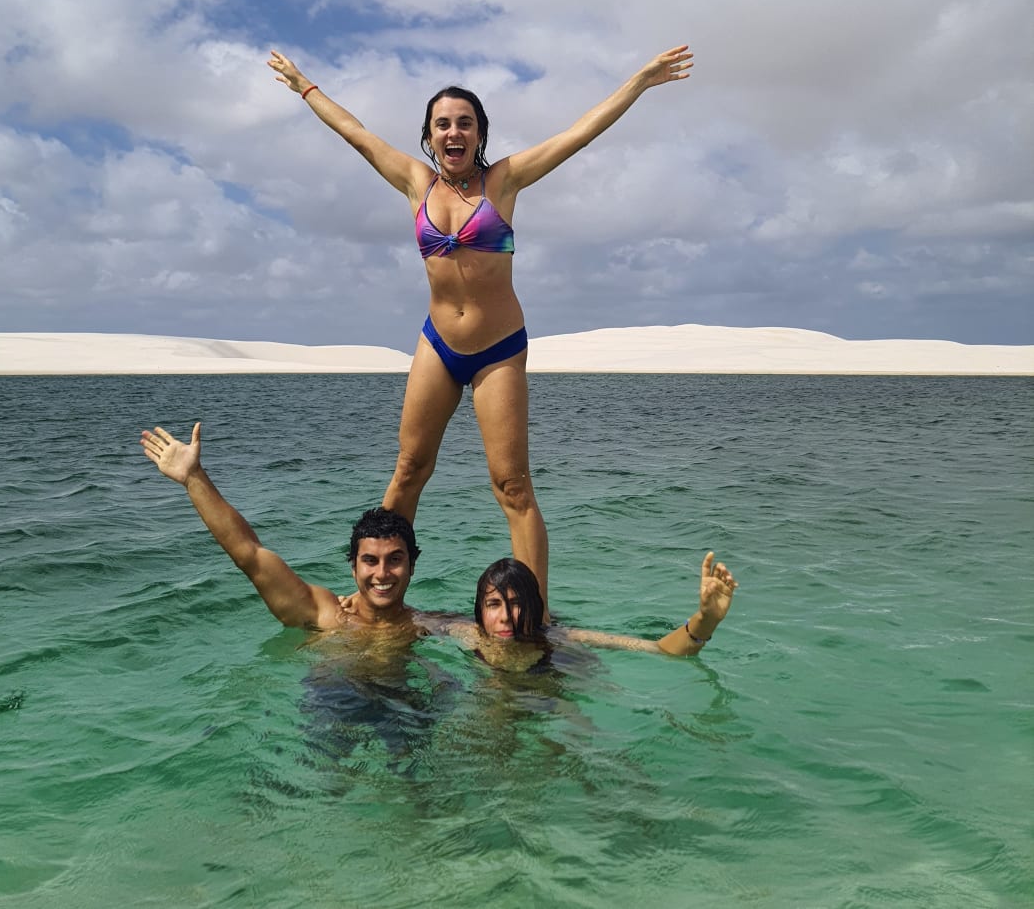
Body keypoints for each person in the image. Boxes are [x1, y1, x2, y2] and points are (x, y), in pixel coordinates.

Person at [266, 43, 695, 613]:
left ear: (479, 133)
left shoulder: (505, 181)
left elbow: (578, 134)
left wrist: (637, 82)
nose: (453, 132)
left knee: (512, 485)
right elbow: (357, 133)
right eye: (442, 124)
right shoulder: (417, 182)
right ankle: (375, 595)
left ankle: (534, 611)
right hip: (437, 344)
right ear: (429, 134)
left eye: (464, 123)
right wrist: (305, 87)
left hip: (498, 349)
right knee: (409, 470)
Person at [140, 422, 432, 637]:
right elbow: (249, 555)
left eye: (394, 559)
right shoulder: (325, 615)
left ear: (412, 566)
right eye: (370, 560)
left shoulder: (425, 626)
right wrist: (193, 478)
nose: (382, 574)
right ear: (353, 568)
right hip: (331, 710)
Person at [448, 555, 739, 672]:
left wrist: (705, 619)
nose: (505, 617)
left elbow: (658, 649)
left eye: (515, 603)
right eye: (494, 604)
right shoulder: (465, 633)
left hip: (547, 693)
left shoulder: (560, 639)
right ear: (479, 611)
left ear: (534, 608)